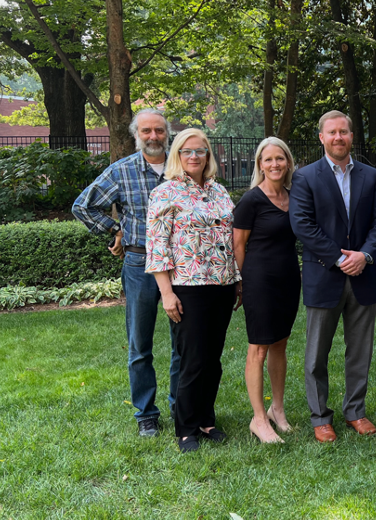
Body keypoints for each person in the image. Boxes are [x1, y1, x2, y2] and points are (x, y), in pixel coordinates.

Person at [72, 108, 179, 438]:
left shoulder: (182, 168)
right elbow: (82, 206)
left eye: (159, 130)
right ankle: (146, 413)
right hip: (139, 265)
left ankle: (181, 405)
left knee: (184, 343)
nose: (153, 137)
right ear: (136, 135)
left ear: (167, 133)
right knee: (139, 344)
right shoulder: (122, 171)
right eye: (146, 131)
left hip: (181, 266)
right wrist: (114, 229)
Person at [289, 110, 376, 443]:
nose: (338, 137)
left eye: (343, 132)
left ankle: (355, 411)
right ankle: (320, 416)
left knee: (359, 351)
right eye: (331, 132)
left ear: (351, 136)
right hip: (324, 275)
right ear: (322, 137)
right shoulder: (305, 177)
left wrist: (365, 256)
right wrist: (336, 258)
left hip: (364, 275)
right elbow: (303, 225)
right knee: (317, 352)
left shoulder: (371, 176)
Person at [145, 128, 241, 453]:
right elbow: (157, 248)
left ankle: (206, 420)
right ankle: (185, 428)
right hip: (187, 288)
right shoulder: (165, 193)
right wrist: (167, 293)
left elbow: (232, 240)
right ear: (177, 155)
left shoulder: (220, 192)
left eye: (200, 151)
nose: (194, 156)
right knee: (193, 360)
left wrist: (237, 279)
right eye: (187, 151)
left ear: (208, 156)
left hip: (223, 285)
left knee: (213, 360)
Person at [232, 137, 300, 444]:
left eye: (280, 159)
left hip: (288, 278)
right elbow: (238, 244)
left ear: (288, 163)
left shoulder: (293, 196)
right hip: (259, 280)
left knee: (280, 346)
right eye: (268, 159)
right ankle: (258, 419)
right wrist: (242, 283)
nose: (275, 164)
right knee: (258, 348)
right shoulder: (251, 200)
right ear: (260, 164)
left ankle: (277, 410)